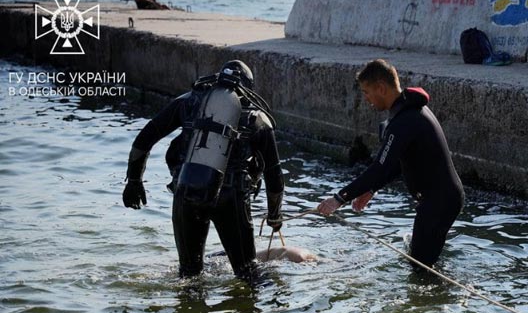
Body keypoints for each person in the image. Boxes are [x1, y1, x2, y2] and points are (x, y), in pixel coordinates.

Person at [123, 60, 284, 280]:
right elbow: (274, 176)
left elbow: (143, 140)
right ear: (247, 88)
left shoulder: (187, 102)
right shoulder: (257, 118)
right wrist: (274, 216)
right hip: (232, 197)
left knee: (189, 276)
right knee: (247, 273)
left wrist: (134, 181)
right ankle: (260, 311)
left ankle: (189, 312)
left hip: (187, 190)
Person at [317, 59, 464, 267]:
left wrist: (339, 198)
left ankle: (450, 293)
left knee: (420, 269)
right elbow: (395, 164)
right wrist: (371, 189)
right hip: (441, 200)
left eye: (367, 92)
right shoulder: (407, 113)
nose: (367, 99)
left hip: (438, 202)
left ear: (381, 88)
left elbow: (380, 167)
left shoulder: (404, 121)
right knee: (423, 262)